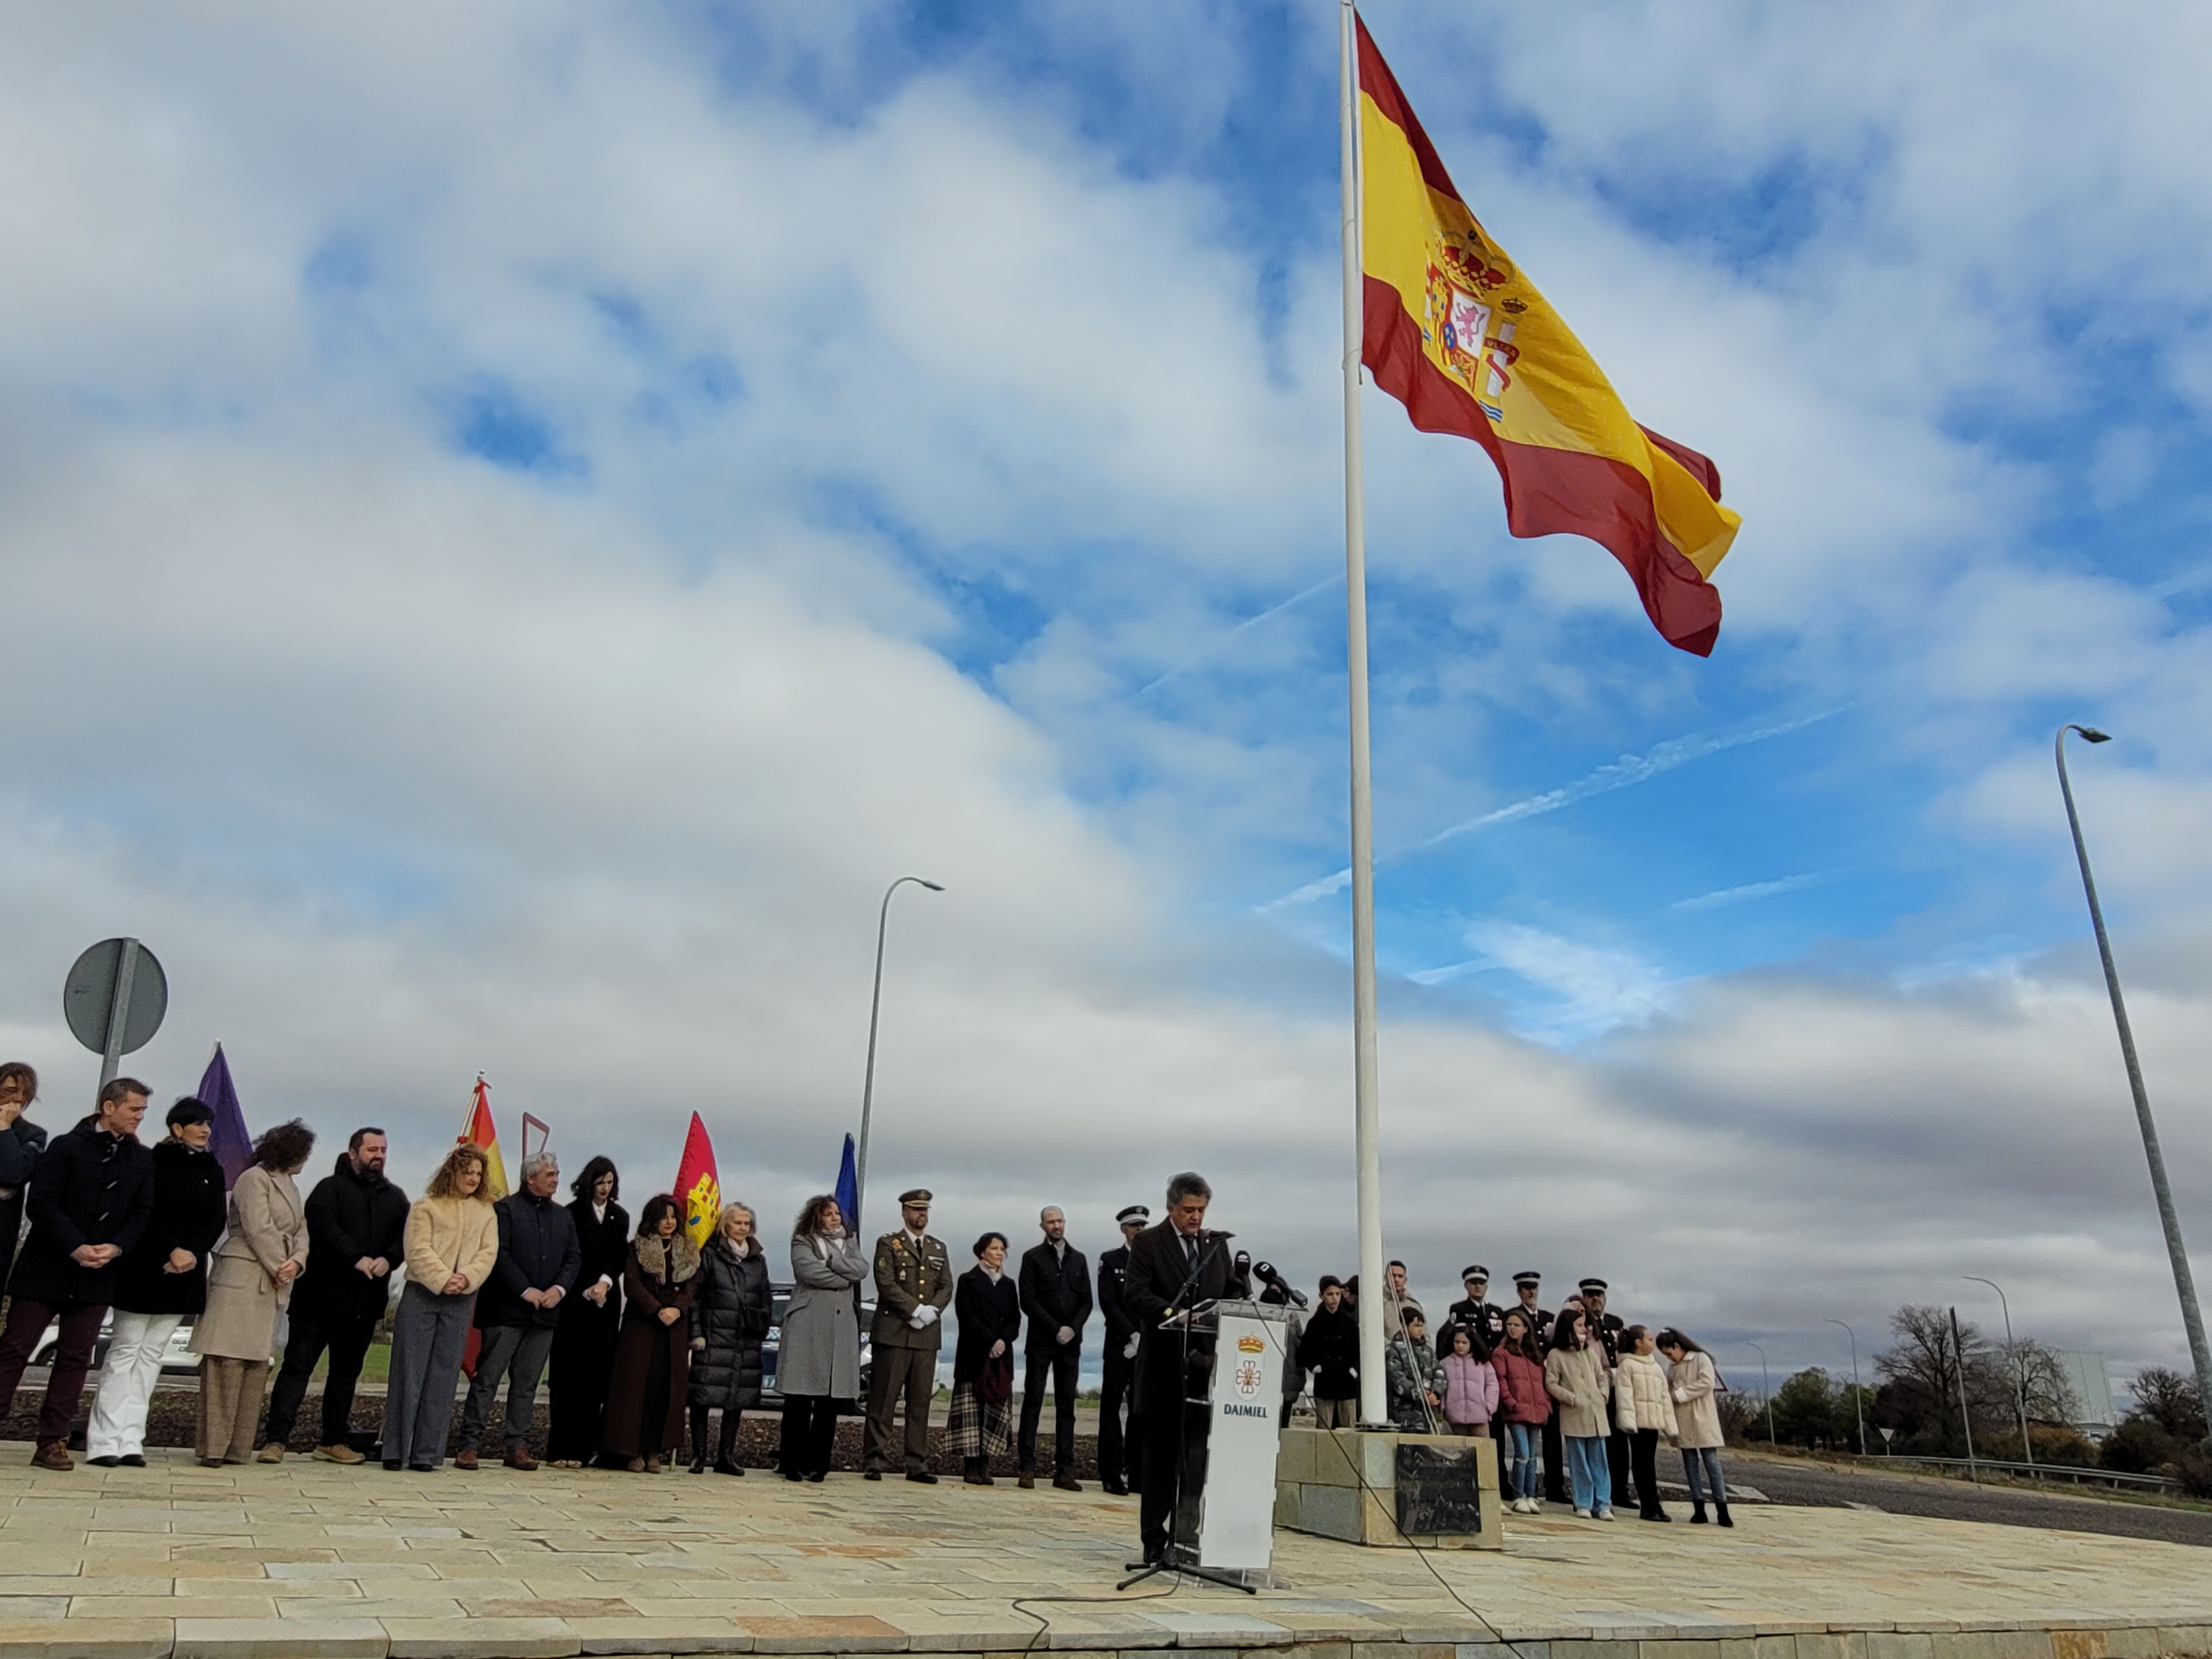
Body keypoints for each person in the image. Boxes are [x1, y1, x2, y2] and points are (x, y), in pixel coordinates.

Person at [0, 1077, 156, 1469]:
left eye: (143, 1111)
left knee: (75, 1358)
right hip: (46, 1267)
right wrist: (75, 1245)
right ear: (108, 1107)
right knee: (15, 1350)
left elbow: (142, 1214)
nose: (139, 1117)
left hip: (99, 1275)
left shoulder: (142, 1159)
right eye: (133, 1109)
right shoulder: (66, 1147)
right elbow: (43, 1203)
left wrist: (116, 1247)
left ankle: (51, 1442)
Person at [86, 1097, 225, 1466]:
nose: (206, 1131)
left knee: (151, 1356)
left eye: (208, 1124)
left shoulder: (213, 1167)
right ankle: (104, 1441)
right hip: (145, 1268)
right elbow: (144, 1212)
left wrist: (192, 1252)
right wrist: (172, 1248)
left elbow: (215, 1219)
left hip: (185, 1273)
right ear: (178, 1129)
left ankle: (132, 1439)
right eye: (199, 1124)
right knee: (125, 1351)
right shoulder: (152, 1161)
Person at [1123, 1171, 1248, 1567]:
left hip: (1204, 1371)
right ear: (1172, 1208)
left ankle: (1187, 1538)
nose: (1195, 1217)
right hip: (1162, 1367)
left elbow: (1228, 1290)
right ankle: (1154, 1543)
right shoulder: (1148, 1242)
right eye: (1188, 1210)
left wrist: (1243, 1294)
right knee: (1159, 1462)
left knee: (1194, 1462)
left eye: (1201, 1210)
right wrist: (1174, 1314)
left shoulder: (1215, 1246)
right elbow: (1136, 1293)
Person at [264, 1126, 409, 1465]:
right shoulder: (329, 1190)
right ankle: (276, 1439)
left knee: (346, 1373)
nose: (379, 1156)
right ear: (354, 1152)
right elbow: (323, 1229)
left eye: (384, 1150)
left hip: (363, 1303)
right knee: (297, 1369)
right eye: (372, 1149)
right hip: (318, 1300)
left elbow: (404, 1239)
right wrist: (356, 1258)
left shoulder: (396, 1197)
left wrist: (388, 1259)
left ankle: (332, 1440)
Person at [194, 1118, 314, 1467]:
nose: (306, 1161)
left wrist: (297, 1262)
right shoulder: (253, 1179)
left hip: (272, 1282)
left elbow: (302, 1231)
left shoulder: (290, 1186)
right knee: (226, 1363)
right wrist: (280, 1262)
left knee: (255, 1366)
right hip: (242, 1275)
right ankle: (214, 1447)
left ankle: (237, 1448)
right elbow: (258, 1226)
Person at [457, 1150, 581, 1472]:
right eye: (550, 1174)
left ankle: (517, 1446)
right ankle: (469, 1445)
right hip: (505, 1312)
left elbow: (573, 1258)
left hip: (545, 1315)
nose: (556, 1179)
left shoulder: (563, 1217)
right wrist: (526, 1290)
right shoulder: (505, 1211)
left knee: (526, 1384)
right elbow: (500, 1255)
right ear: (531, 1178)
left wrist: (558, 1290)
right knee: (487, 1379)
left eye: (556, 1173)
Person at [383, 1142, 499, 1472]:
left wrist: (467, 1279)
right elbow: (417, 1250)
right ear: (454, 1172)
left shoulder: (486, 1212)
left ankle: (426, 1454)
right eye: (468, 1172)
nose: (474, 1179)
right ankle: (396, 1450)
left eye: (479, 1174)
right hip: (423, 1296)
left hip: (461, 1300)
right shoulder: (426, 1207)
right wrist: (443, 1278)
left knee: (443, 1376)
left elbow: (488, 1253)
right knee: (409, 1372)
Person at [601, 1194, 698, 1473]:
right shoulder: (637, 1248)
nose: (669, 1222)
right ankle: (631, 1451)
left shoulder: (688, 1251)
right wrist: (657, 1310)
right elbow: (631, 1285)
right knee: (635, 1389)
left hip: (674, 1328)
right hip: (642, 1325)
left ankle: (655, 1450)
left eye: (672, 1217)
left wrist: (677, 1309)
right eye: (663, 1217)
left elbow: (691, 1288)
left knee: (664, 1388)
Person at [865, 1188, 951, 1484]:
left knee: (919, 1403)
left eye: (925, 1211)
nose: (921, 1216)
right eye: (916, 1210)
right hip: (894, 1333)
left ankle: (917, 1463)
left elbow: (946, 1286)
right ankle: (875, 1459)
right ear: (905, 1213)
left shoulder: (938, 1248)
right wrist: (915, 1310)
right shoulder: (889, 1244)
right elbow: (886, 1284)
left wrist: (932, 1311)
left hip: (926, 1337)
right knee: (883, 1400)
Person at [546, 1156, 627, 1468]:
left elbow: (618, 1255)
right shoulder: (571, 1213)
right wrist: (584, 1287)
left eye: (610, 1183)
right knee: (568, 1377)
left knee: (596, 1377)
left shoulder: (620, 1217)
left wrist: (605, 1283)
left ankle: (583, 1449)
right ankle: (559, 1449)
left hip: (605, 1303)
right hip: (573, 1303)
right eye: (600, 1182)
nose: (605, 1189)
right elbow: (570, 1255)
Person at [779, 1193, 863, 1481]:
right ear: (816, 1216)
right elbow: (809, 1272)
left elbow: (862, 1270)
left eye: (837, 1213)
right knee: (800, 1398)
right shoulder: (803, 1241)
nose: (835, 1218)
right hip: (808, 1324)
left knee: (829, 1400)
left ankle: (820, 1463)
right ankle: (792, 1462)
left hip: (840, 1329)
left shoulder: (850, 1242)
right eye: (828, 1214)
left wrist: (831, 1262)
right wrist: (843, 1274)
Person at [688, 1200, 771, 1475]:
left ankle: (726, 1456)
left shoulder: (758, 1261)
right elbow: (695, 1299)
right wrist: (696, 1333)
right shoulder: (710, 1255)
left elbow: (765, 1298)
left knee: (736, 1398)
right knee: (703, 1396)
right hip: (714, 1337)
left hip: (745, 1339)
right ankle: (699, 1456)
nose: (743, 1228)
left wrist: (761, 1325)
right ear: (726, 1226)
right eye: (738, 1223)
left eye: (747, 1223)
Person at [1016, 1204, 1092, 1491]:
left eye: (1060, 1221)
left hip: (1071, 1344)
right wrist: (1054, 1328)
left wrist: (1073, 1328)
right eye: (1051, 1222)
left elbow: (1087, 1300)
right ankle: (1027, 1467)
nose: (1056, 1226)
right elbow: (1028, 1300)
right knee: (1033, 1402)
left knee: (1067, 1406)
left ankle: (1065, 1470)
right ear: (1043, 1226)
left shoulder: (1079, 1259)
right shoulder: (1032, 1258)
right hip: (1041, 1341)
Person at [948, 1230, 1020, 1485]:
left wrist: (1003, 1341)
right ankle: (970, 1466)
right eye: (994, 1249)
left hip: (1000, 1358)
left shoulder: (1009, 1284)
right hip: (974, 1355)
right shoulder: (969, 1280)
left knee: (993, 1411)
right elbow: (966, 1316)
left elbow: (1015, 1319)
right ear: (982, 1252)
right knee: (972, 1413)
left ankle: (985, 1465)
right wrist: (990, 1340)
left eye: (1002, 1249)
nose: (1000, 1253)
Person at [1094, 1204, 1147, 1495]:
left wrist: (1145, 1336)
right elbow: (1108, 1301)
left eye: (1142, 1226)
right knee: (1111, 1411)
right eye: (1133, 1226)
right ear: (1123, 1230)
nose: (1138, 1231)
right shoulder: (1111, 1260)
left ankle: (1137, 1472)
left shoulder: (1153, 1261)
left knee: (1141, 1412)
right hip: (1118, 1344)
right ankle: (1111, 1473)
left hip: (1147, 1346)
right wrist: (1130, 1334)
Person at [1656, 1327, 1731, 1526]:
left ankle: (1722, 1509)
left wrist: (1680, 1395)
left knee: (1711, 1462)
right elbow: (1669, 1389)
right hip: (1683, 1420)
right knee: (1690, 1465)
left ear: (1677, 1346)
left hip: (1703, 1418)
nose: (1670, 1358)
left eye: (1670, 1353)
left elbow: (1706, 1383)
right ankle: (1699, 1508)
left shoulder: (1700, 1359)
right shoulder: (1673, 1369)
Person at [1543, 1307, 1613, 1519]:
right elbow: (1551, 1383)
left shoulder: (1589, 1353)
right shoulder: (1556, 1355)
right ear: (1569, 1328)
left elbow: (1602, 1376)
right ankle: (1583, 1502)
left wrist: (1603, 1395)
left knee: (1600, 1461)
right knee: (1579, 1462)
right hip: (1574, 1415)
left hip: (1596, 1414)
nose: (1585, 1329)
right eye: (1580, 1325)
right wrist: (1571, 1398)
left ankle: (1603, 1504)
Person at [1511, 1271, 1566, 1504]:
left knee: (1552, 1439)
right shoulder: (1514, 1318)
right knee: (1526, 1444)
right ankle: (1525, 1489)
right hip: (1525, 1387)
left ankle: (1555, 1487)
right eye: (1526, 1288)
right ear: (1519, 1292)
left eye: (1533, 1288)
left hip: (1547, 1386)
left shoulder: (1548, 1319)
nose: (1531, 1292)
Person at [1579, 1277, 1631, 1511]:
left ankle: (1620, 1491)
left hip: (1616, 1387)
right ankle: (1598, 1494)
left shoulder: (1614, 1323)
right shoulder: (1583, 1324)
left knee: (1620, 1443)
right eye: (1590, 1295)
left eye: (1598, 1295)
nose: (1595, 1299)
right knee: (1598, 1444)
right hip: (1594, 1388)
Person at [1491, 1307, 1550, 1512]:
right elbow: (1501, 1380)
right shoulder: (1501, 1353)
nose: (1512, 1329)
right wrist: (1510, 1402)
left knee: (1533, 1455)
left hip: (1536, 1410)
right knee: (1522, 1453)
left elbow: (1542, 1383)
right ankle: (1518, 1495)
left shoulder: (1534, 1355)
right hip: (1516, 1410)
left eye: (1517, 1325)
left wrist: (1545, 1403)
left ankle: (1530, 1494)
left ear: (1526, 1328)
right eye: (1509, 1325)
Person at [1613, 1324, 1672, 1522]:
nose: (1652, 1342)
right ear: (1638, 1343)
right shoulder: (1627, 1365)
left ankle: (1655, 1504)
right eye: (1648, 1339)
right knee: (1641, 1465)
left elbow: (1664, 1396)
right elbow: (1625, 1396)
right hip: (1638, 1423)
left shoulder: (1655, 1366)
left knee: (1650, 1465)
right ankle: (1647, 1506)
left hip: (1652, 1422)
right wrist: (1628, 1422)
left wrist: (1669, 1424)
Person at [0, 1061, 49, 1282]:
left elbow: (13, 1173)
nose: (18, 1099)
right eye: (9, 1091)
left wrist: (4, 1129)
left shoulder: (32, 1135)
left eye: (25, 1094)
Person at [1296, 1275, 1359, 1428]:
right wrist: (1314, 1366)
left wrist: (1354, 1369)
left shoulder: (1349, 1322)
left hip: (1346, 1381)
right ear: (1322, 1296)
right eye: (1330, 1294)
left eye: (1337, 1294)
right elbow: (1304, 1350)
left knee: (1348, 1426)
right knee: (1324, 1427)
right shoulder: (1315, 1323)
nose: (1334, 1298)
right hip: (1325, 1381)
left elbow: (1357, 1348)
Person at [1433, 1324, 1497, 1438]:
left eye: (1464, 1343)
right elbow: (1440, 1387)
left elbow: (1492, 1385)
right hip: (1455, 1418)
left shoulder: (1483, 1363)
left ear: (1472, 1343)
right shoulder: (1445, 1364)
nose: (1460, 1346)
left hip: (1480, 1417)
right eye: (1457, 1342)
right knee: (1461, 1453)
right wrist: (1443, 1408)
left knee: (1482, 1452)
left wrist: (1489, 1407)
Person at [1385, 1308, 1439, 1431]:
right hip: (1403, 1413)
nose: (1420, 1330)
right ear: (1404, 1326)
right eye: (1416, 1326)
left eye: (1421, 1326)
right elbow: (1397, 1380)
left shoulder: (1428, 1351)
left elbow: (1439, 1373)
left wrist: (1435, 1393)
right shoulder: (1394, 1350)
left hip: (1428, 1415)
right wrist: (1420, 1394)